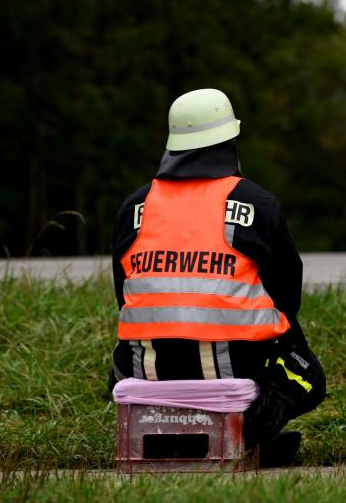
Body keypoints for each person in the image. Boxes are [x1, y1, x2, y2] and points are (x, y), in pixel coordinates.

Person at [108, 88, 326, 466]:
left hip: (148, 377)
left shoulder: (134, 207)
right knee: (306, 370)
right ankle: (251, 434)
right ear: (229, 143)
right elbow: (287, 296)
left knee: (121, 353)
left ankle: (173, 439)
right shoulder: (257, 203)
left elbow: (121, 294)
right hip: (232, 370)